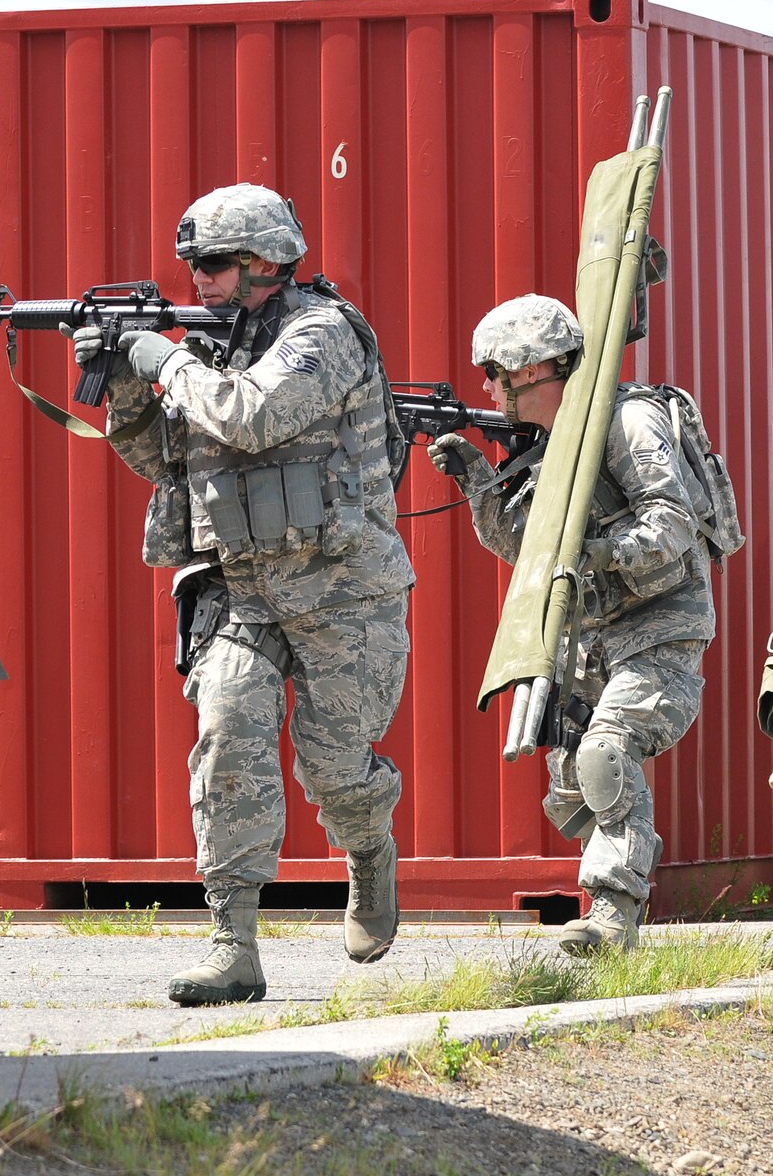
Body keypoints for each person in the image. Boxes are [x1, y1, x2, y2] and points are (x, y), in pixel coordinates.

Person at [83, 182, 413, 1005]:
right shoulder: (213, 346)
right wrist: (124, 377)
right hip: (241, 587)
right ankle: (234, 947)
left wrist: (163, 358)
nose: (197, 280)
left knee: (334, 770)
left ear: (268, 261)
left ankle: (368, 848)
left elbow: (251, 417)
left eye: (215, 265)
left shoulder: (322, 334)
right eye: (192, 264)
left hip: (342, 586)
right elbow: (165, 460)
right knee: (227, 743)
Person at [428, 294, 717, 954]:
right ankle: (611, 889)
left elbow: (672, 523)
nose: (488, 388)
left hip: (658, 625)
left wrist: (600, 553)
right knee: (569, 790)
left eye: (495, 373)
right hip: (589, 641)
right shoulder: (549, 447)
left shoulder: (627, 421)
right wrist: (480, 485)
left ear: (533, 371)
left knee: (605, 752)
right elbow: (526, 551)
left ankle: (614, 912)